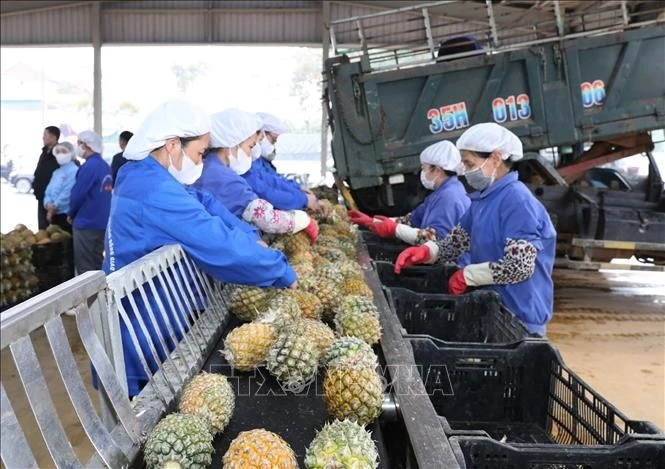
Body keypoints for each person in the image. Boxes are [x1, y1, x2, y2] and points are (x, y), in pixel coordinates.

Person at [105, 99, 296, 396]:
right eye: (199, 153)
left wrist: (248, 234)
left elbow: (204, 203)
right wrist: (280, 270)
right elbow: (216, 242)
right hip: (143, 332)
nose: (201, 161)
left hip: (152, 313)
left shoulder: (145, 175)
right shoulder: (153, 190)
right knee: (148, 410)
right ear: (172, 146)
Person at [394, 123, 556, 336]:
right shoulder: (483, 200)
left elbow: (519, 266)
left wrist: (468, 275)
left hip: (519, 319)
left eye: (470, 164)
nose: (465, 171)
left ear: (496, 159)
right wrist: (427, 251)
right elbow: (455, 243)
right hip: (494, 309)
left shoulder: (517, 200)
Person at [194, 108, 319, 242]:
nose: (250, 154)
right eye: (250, 147)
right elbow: (267, 219)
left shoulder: (209, 167)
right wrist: (302, 221)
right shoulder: (223, 177)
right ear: (233, 144)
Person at [348, 140, 470, 246]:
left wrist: (395, 229)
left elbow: (436, 240)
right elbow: (412, 220)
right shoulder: (440, 193)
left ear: (437, 170)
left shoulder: (449, 197)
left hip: (453, 265)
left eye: (424, 169)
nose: (421, 173)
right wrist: (372, 221)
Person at [68, 130, 112, 274]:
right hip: (101, 223)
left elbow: (78, 195)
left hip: (86, 223)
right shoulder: (105, 166)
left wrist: (71, 213)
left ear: (85, 145)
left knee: (85, 268)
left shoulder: (88, 167)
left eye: (79, 143)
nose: (77, 146)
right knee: (97, 264)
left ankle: (89, 297)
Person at [43, 142, 78, 233]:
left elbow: (67, 193)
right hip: (53, 214)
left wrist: (54, 207)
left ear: (71, 153)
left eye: (63, 151)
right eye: (57, 152)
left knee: (65, 242)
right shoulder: (56, 172)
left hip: (66, 215)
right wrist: (48, 203)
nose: (60, 154)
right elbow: (48, 191)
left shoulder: (74, 171)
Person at [32, 125, 61, 229]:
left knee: (55, 232)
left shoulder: (60, 153)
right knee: (42, 230)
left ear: (54, 137)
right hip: (42, 196)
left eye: (45, 135)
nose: (43, 137)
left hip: (54, 201)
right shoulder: (44, 152)